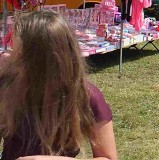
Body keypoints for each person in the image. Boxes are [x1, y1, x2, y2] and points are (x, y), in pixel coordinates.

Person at [0, 10, 118, 160]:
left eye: (19, 55)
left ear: (46, 61)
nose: (10, 59)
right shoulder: (6, 85)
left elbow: (108, 157)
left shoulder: (85, 95)